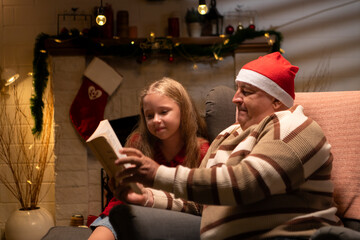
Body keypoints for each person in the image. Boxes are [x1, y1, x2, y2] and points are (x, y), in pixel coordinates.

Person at [114, 52, 341, 240]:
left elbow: (245, 183)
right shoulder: (227, 135)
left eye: (247, 91)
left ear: (276, 100)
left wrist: (157, 174)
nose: (235, 98)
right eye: (237, 88)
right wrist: (147, 197)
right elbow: (199, 202)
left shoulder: (294, 126)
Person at [88, 77, 210, 240]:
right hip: (130, 208)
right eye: (149, 115)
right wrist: (118, 185)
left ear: (183, 110)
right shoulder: (137, 142)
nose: (156, 120)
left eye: (164, 112)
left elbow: (199, 202)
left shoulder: (200, 150)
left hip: (175, 216)